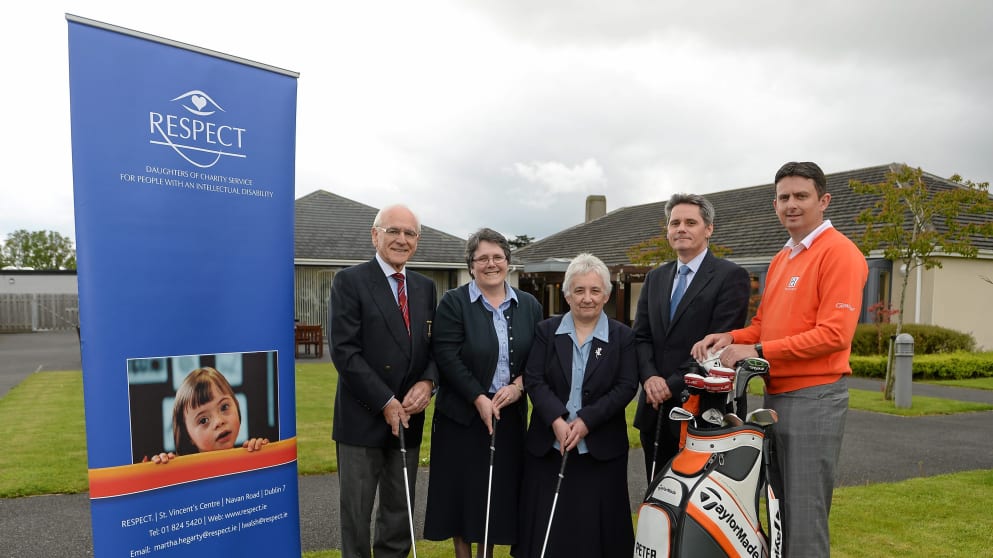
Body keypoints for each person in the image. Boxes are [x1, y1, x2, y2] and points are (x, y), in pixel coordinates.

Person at [691, 161, 868, 557]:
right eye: (784, 197)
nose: (791, 204)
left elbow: (834, 335)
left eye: (801, 196)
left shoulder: (839, 253)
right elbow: (763, 325)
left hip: (815, 399)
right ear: (775, 204)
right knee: (779, 514)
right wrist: (731, 337)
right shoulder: (782, 257)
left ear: (823, 201)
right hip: (778, 399)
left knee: (804, 519)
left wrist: (756, 351)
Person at [328, 204, 440, 558]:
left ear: (417, 241)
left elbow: (434, 348)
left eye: (409, 233)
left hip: (409, 417)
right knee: (357, 517)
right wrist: (385, 401)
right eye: (393, 231)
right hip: (363, 418)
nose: (401, 240)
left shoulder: (425, 287)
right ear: (375, 235)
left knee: (399, 513)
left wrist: (428, 383)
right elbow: (345, 352)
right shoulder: (349, 281)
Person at [424, 228, 543, 558]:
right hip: (461, 417)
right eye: (483, 258)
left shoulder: (529, 305)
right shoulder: (453, 303)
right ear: (471, 264)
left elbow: (538, 358)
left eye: (498, 257)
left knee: (494, 494)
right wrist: (478, 397)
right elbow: (446, 355)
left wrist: (519, 387)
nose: (491, 264)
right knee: (463, 495)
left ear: (508, 261)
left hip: (508, 415)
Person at [517, 253, 638, 557]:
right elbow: (533, 379)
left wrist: (585, 422)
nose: (587, 298)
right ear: (567, 293)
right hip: (549, 446)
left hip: (600, 450)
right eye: (579, 290)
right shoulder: (546, 331)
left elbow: (625, 387)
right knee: (549, 529)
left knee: (595, 534)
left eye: (595, 291)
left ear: (606, 295)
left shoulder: (623, 337)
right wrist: (557, 420)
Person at [632, 193, 751, 482]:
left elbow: (716, 348)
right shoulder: (655, 278)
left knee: (695, 503)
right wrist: (650, 379)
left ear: (708, 229)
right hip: (654, 409)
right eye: (674, 223)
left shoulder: (730, 277)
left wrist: (669, 385)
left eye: (690, 222)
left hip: (699, 410)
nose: (680, 228)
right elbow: (641, 336)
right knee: (656, 496)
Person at [147, 366, 269, 464]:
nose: (219, 421)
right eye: (203, 420)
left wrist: (264, 455)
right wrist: (161, 469)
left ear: (236, 405)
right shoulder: (181, 471)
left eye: (224, 407)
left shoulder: (249, 456)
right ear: (188, 435)